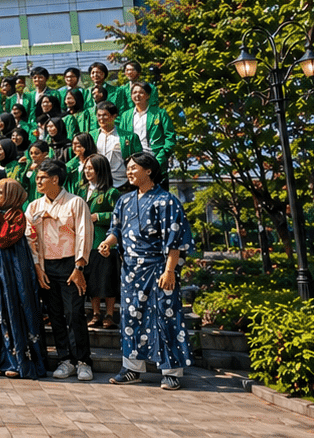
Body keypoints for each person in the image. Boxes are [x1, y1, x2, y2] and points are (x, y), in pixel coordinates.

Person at [103, 152, 193, 390]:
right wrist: (108, 243)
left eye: (134, 168)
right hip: (131, 271)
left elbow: (175, 239)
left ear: (149, 170)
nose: (129, 172)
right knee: (131, 317)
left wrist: (170, 270)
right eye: (128, 168)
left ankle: (171, 371)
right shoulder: (124, 201)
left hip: (159, 269)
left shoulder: (167, 200)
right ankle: (132, 368)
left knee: (165, 316)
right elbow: (116, 230)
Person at [26, 159, 94, 380]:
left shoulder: (75, 202)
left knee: (74, 313)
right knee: (55, 314)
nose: (38, 181)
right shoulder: (34, 206)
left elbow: (84, 234)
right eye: (37, 178)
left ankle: (83, 361)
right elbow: (30, 239)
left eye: (42, 178)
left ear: (55, 179)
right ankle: (65, 359)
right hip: (46, 265)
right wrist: (38, 267)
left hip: (70, 264)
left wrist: (79, 266)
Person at [0, 178, 46, 379]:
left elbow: (2, 239)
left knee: (13, 310)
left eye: (1, 192)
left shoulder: (17, 216)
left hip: (14, 270)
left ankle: (17, 362)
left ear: (12, 195)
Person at [82, 154, 121, 329]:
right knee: (91, 279)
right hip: (86, 242)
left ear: (100, 169)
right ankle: (96, 313)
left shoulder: (111, 192)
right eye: (86, 168)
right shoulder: (82, 190)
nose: (87, 171)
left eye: (91, 168)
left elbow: (119, 215)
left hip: (104, 241)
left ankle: (110, 314)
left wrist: (99, 216)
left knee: (107, 279)